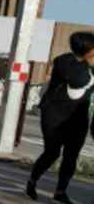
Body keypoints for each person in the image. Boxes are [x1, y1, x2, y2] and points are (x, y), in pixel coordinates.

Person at [26, 32, 94, 204]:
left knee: (71, 155)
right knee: (52, 152)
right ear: (87, 49)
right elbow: (77, 81)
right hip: (54, 115)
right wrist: (90, 64)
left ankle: (60, 191)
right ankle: (32, 181)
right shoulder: (64, 62)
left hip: (78, 116)